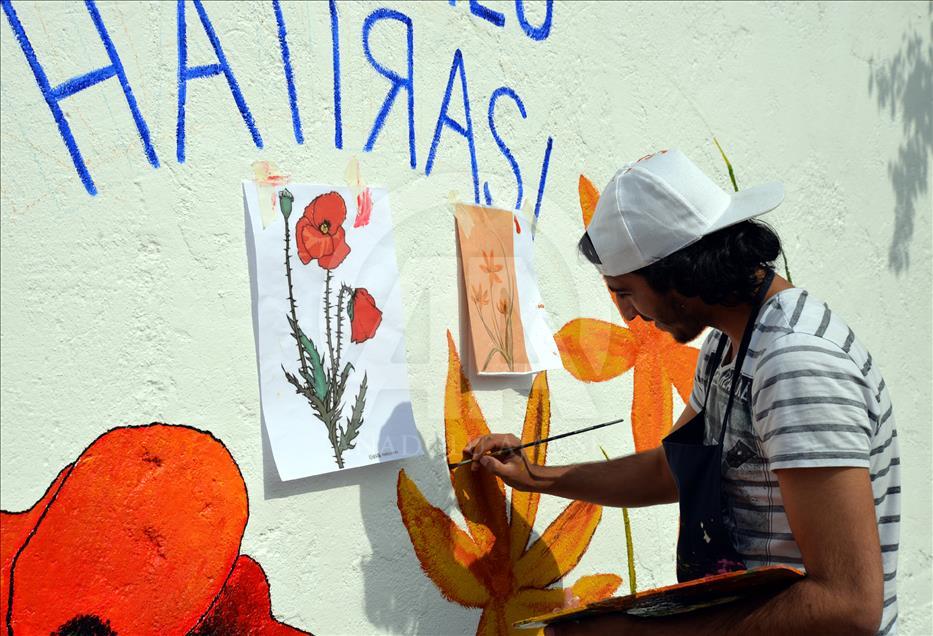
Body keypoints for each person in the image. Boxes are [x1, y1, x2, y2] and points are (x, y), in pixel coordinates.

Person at [465, 150, 900, 635]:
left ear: (680, 274)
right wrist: (539, 477)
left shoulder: (794, 363)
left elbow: (849, 605)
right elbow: (672, 470)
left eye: (625, 291)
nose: (628, 316)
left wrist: (637, 633)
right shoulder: (726, 345)